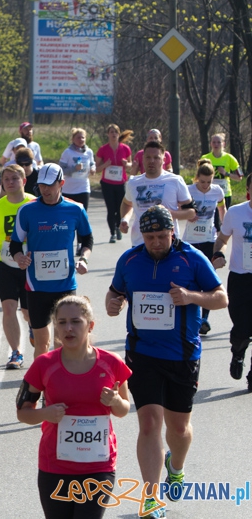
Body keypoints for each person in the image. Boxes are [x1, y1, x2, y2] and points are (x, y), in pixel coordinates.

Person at [106, 205, 227, 518]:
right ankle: (151, 497)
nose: (156, 242)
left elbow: (220, 297)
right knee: (148, 424)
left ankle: (176, 465)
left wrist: (191, 297)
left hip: (182, 355)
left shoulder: (191, 259)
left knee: (179, 427)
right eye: (150, 237)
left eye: (162, 235)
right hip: (142, 353)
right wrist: (113, 304)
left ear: (172, 231)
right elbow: (113, 294)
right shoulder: (130, 259)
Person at [18, 295, 132, 519]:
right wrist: (45, 414)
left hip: (98, 465)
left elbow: (124, 409)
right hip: (55, 466)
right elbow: (23, 412)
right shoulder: (44, 365)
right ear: (56, 327)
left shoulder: (112, 363)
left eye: (76, 322)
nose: (68, 328)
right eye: (62, 323)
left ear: (90, 326)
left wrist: (116, 401)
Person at [11, 164, 93, 358]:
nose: (45, 190)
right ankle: (39, 385)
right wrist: (19, 258)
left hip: (65, 284)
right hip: (36, 286)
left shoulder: (75, 209)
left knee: (62, 341)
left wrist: (84, 259)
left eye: (49, 185)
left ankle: (60, 386)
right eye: (41, 185)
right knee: (42, 343)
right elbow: (15, 244)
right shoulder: (27, 210)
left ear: (61, 183)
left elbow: (87, 239)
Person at [0, 164, 35, 369]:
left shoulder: (33, 203)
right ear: (2, 183)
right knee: (9, 308)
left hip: (30, 265)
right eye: (6, 179)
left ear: (24, 181)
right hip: (6, 265)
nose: (10, 183)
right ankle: (16, 352)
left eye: (15, 178)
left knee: (29, 312)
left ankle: (33, 327)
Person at [212, 174, 252, 388]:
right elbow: (222, 239)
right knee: (242, 327)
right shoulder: (236, 213)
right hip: (240, 279)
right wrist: (218, 253)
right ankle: (238, 353)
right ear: (248, 190)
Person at [120, 141, 194, 247]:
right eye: (148, 157)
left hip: (168, 243)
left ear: (163, 160)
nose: (151, 161)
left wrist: (169, 213)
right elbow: (127, 203)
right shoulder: (133, 182)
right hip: (140, 243)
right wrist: (124, 219)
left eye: (156, 157)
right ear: (143, 159)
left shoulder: (175, 181)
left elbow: (191, 212)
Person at [182, 161, 225, 335]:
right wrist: (188, 214)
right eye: (202, 182)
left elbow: (223, 210)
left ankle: (204, 319)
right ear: (197, 178)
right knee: (191, 278)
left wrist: (225, 229)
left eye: (209, 181)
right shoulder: (189, 190)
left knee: (208, 278)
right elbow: (179, 207)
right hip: (191, 239)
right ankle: (191, 317)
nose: (206, 185)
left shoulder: (217, 191)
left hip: (209, 238)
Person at [96, 124, 133, 242]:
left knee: (119, 207)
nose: (113, 134)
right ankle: (112, 233)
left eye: (115, 132)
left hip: (120, 182)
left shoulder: (125, 148)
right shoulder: (103, 149)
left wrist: (125, 164)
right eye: (111, 132)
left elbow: (131, 165)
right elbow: (96, 168)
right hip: (107, 183)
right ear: (108, 134)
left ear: (118, 134)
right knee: (111, 209)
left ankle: (118, 227)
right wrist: (105, 165)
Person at [201, 132, 242, 212]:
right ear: (211, 144)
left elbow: (239, 177)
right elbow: (199, 176)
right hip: (209, 192)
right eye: (214, 142)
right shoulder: (205, 158)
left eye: (219, 142)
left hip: (225, 193)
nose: (216, 144)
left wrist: (226, 173)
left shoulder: (229, 158)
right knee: (213, 219)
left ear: (223, 144)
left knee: (224, 218)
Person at [58, 128, 96, 210]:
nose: (81, 140)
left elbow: (92, 163)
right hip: (69, 190)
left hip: (84, 188)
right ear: (73, 139)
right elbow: (61, 170)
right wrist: (74, 168)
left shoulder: (89, 152)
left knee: (82, 213)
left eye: (83, 137)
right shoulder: (67, 152)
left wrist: (93, 169)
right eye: (78, 138)